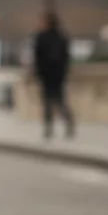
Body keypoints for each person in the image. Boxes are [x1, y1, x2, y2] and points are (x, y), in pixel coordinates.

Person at [32, 11, 75, 139]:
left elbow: (37, 58)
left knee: (49, 103)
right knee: (59, 102)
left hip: (48, 76)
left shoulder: (42, 37)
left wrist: (38, 73)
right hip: (57, 76)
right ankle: (65, 124)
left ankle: (49, 128)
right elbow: (66, 58)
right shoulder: (61, 37)